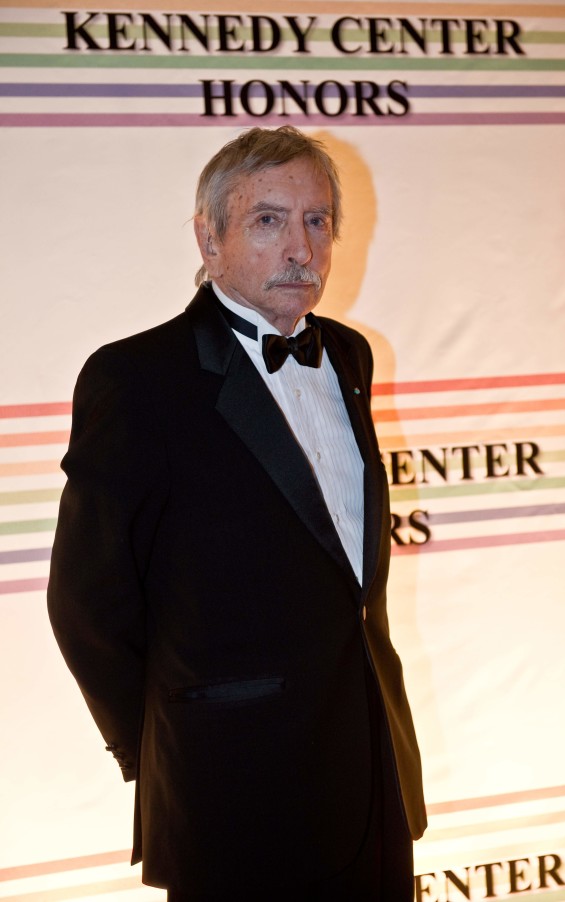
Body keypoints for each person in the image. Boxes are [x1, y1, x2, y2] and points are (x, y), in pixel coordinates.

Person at [47, 125, 426, 900]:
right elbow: (88, 604)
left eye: (317, 221)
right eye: (269, 220)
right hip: (232, 795)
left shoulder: (350, 356)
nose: (301, 248)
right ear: (208, 237)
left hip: (371, 769)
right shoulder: (136, 379)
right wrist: (162, 748)